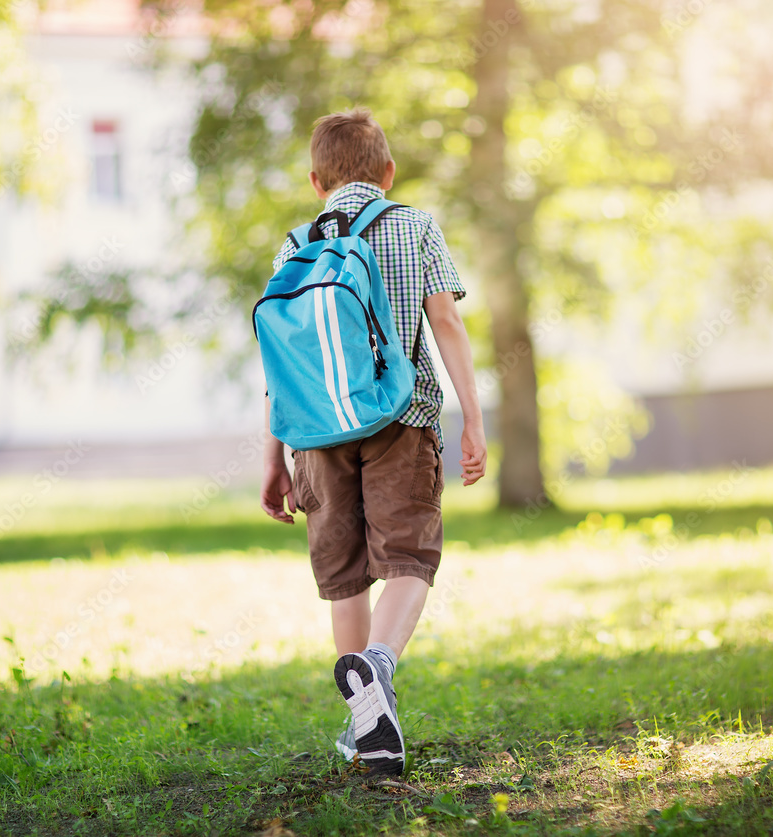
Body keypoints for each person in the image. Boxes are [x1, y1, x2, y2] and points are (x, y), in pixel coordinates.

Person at [260, 107, 487, 776]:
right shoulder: (414, 224)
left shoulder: (294, 242)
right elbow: (445, 322)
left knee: (345, 576)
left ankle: (364, 731)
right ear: (388, 173)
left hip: (315, 432)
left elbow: (280, 360)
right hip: (401, 416)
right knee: (410, 559)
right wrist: (473, 418)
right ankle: (378, 666)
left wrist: (273, 456)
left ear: (315, 179)